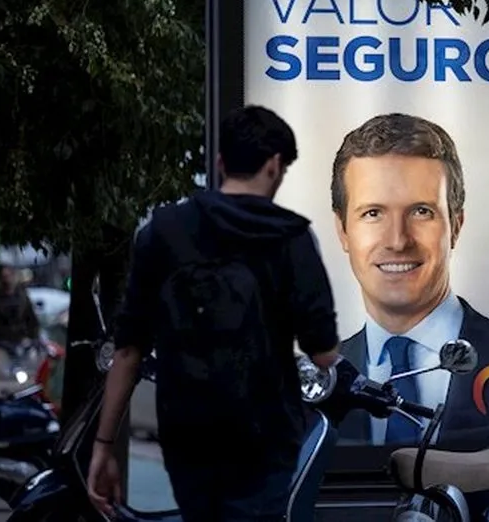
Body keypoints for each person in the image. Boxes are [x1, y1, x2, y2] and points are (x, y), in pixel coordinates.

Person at [87, 105, 340, 522]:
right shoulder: (291, 237)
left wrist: (102, 445)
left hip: (188, 434)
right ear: (275, 166)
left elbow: (128, 350)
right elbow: (323, 352)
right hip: (265, 437)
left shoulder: (162, 232)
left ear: (221, 163)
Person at [331, 112, 489, 449]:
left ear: (456, 225)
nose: (397, 240)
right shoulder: (313, 383)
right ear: (343, 232)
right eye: (373, 213)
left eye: (421, 211)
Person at [0, 264, 41, 381]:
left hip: (23, 341)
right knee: (0, 373)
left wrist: (34, 338)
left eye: (9, 275)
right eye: (4, 276)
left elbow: (32, 319)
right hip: (2, 343)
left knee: (33, 371)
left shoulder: (23, 296)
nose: (7, 279)